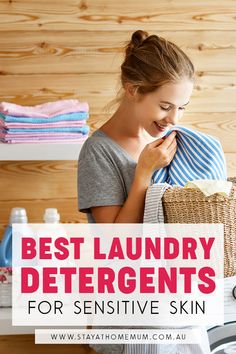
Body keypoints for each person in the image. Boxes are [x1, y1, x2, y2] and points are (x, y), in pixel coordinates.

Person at [78, 30, 210, 354]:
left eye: (182, 107)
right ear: (133, 90)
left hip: (176, 308)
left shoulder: (175, 143)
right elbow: (114, 245)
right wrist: (143, 174)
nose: (174, 119)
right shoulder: (99, 152)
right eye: (165, 106)